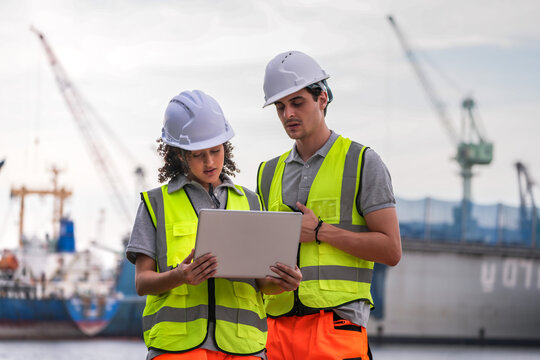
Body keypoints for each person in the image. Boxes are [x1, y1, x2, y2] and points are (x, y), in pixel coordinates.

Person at [126, 90, 302, 360]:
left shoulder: (251, 201)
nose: (210, 162)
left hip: (243, 349)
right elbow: (142, 282)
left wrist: (283, 282)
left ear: (225, 147)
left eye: (215, 151)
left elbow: (262, 283)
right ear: (179, 155)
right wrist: (180, 276)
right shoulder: (155, 204)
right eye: (198, 155)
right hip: (177, 349)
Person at [256, 51, 402, 360]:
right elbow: (261, 268)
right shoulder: (268, 173)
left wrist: (321, 231)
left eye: (297, 103)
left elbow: (391, 251)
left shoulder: (362, 162)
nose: (287, 115)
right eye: (280, 107)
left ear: (322, 98)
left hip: (337, 327)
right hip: (276, 332)